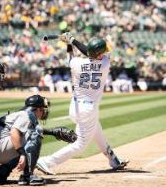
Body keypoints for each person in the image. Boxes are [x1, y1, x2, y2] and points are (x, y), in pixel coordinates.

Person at [36, 33, 129, 175]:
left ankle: (113, 159)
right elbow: (89, 51)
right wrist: (73, 40)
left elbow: (74, 57)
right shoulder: (105, 63)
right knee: (80, 145)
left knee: (96, 129)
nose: (104, 53)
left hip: (75, 107)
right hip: (88, 109)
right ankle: (46, 161)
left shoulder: (77, 64)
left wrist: (69, 43)